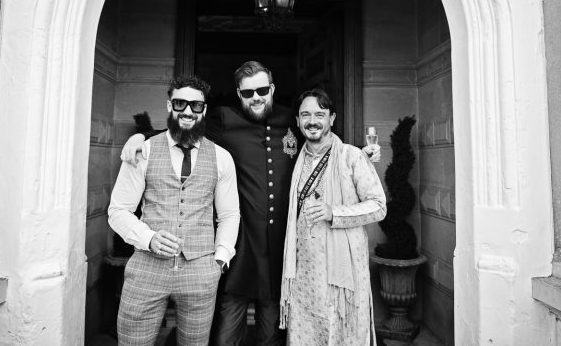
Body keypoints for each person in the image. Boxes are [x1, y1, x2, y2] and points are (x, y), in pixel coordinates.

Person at [121, 62, 380, 345]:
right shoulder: (223, 119)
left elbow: (323, 138)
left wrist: (361, 153)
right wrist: (140, 136)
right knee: (225, 334)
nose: (255, 97)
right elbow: (183, 126)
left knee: (272, 334)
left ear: (271, 89)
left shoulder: (292, 120)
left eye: (261, 90)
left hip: (281, 248)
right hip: (241, 247)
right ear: (238, 94)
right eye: (247, 93)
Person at [108, 75, 240, 346]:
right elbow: (118, 210)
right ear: (169, 106)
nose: (188, 111)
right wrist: (148, 238)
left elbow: (229, 215)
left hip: (201, 270)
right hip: (146, 268)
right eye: (180, 103)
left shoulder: (221, 157)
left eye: (196, 105)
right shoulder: (142, 151)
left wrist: (220, 258)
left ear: (204, 110)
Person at [280, 88, 386, 345]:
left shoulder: (352, 156)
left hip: (344, 274)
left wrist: (334, 212)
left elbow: (379, 206)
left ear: (332, 118)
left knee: (342, 334)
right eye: (305, 114)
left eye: (320, 114)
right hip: (305, 274)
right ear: (297, 121)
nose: (312, 120)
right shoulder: (294, 158)